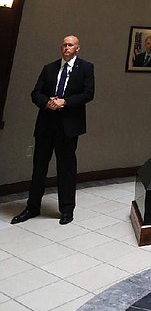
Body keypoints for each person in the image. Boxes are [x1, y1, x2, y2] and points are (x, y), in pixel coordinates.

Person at [11, 35, 95, 226]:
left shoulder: (86, 68)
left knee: (66, 168)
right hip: (46, 124)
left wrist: (65, 101)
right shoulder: (49, 68)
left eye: (70, 45)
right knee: (39, 167)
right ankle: (32, 207)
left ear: (78, 48)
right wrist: (47, 102)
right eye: (64, 45)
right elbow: (36, 93)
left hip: (69, 126)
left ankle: (66, 210)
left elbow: (88, 94)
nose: (66, 48)